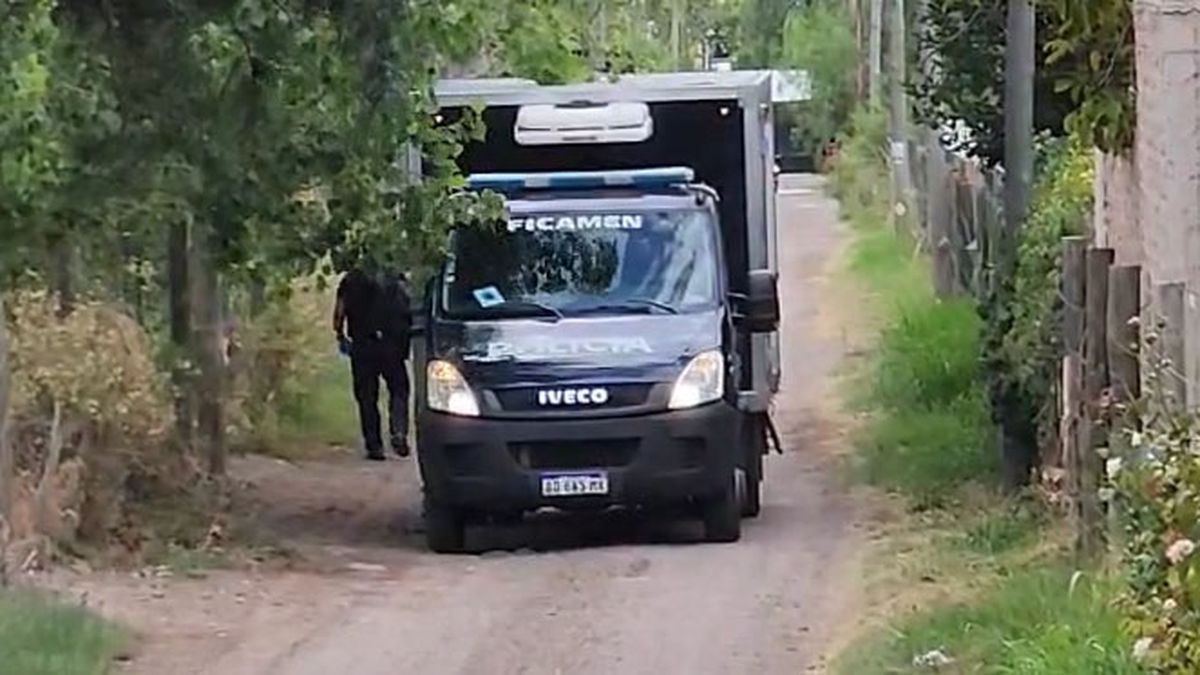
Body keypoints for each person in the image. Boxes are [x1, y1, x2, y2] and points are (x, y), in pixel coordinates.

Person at [333, 268, 412, 461]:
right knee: (399, 389)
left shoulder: (350, 280)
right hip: (391, 345)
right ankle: (398, 431)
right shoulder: (394, 277)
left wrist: (340, 335)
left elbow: (339, 311)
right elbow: (406, 311)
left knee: (366, 397)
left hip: (362, 345)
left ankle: (374, 446)